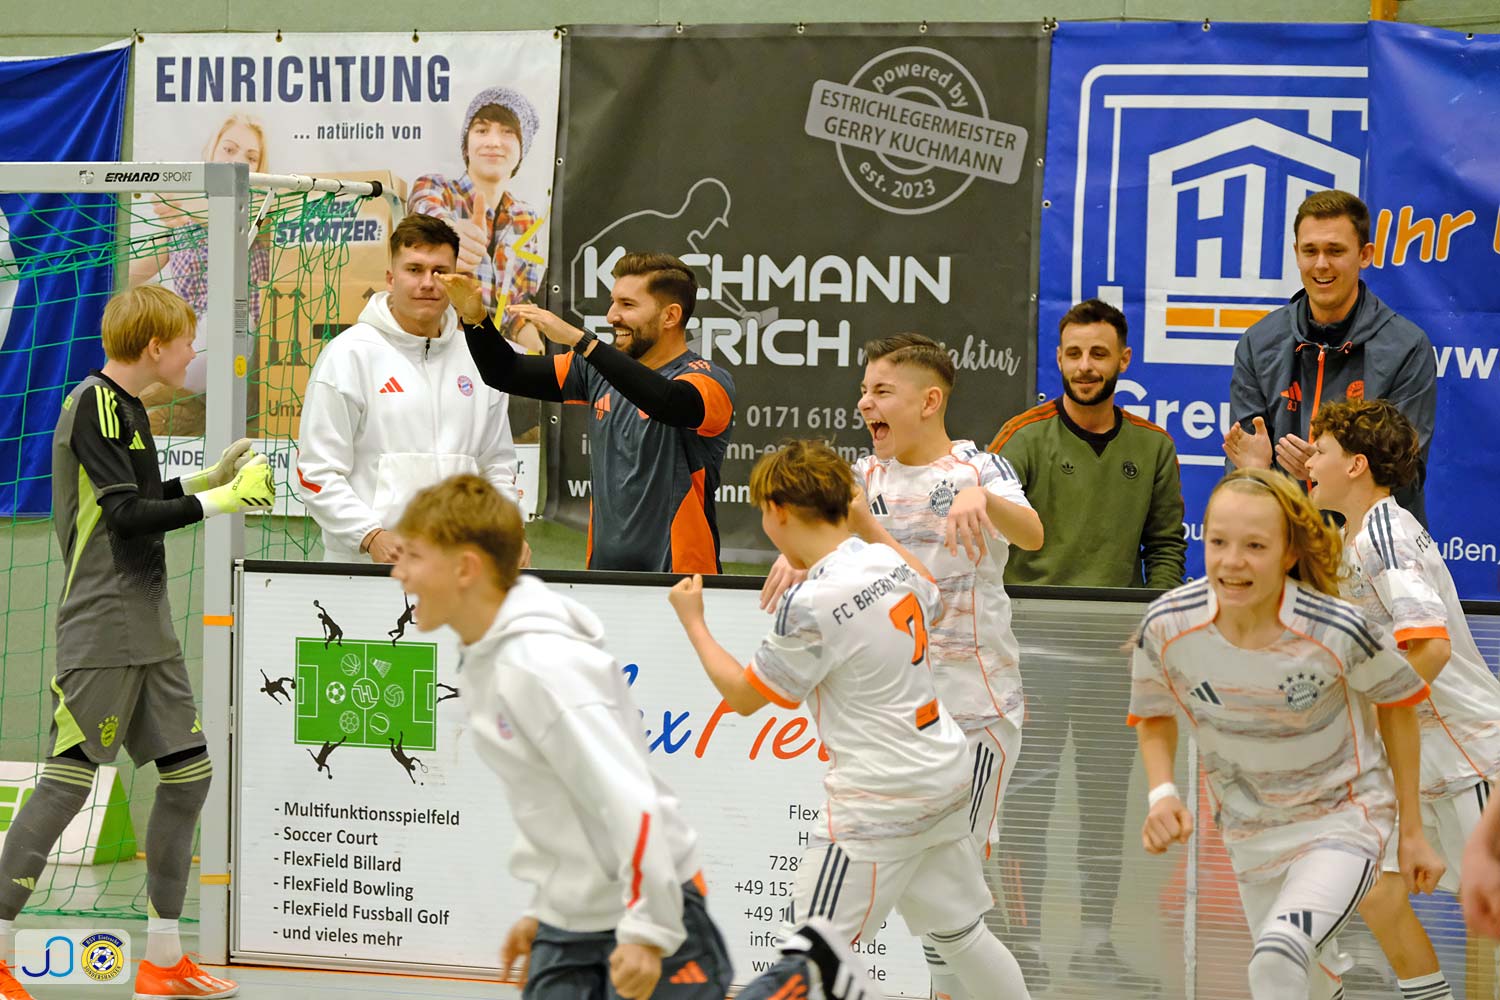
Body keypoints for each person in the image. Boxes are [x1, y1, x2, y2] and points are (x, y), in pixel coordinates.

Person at [670, 440, 1032, 1000]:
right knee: (960, 934)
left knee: (807, 955)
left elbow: (744, 697)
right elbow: (931, 593)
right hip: (943, 775)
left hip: (879, 799)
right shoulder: (885, 560)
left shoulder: (811, 602)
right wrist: (871, 529)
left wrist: (693, 622)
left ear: (778, 512)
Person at [0, 284, 275, 1000]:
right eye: (186, 341)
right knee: (67, 784)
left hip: (148, 623)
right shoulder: (94, 402)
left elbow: (137, 500)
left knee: (188, 777)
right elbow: (123, 518)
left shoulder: (127, 408)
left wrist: (208, 480)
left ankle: (162, 961)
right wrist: (222, 501)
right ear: (155, 347)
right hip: (103, 624)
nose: (192, 352)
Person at [760, 339, 1043, 999]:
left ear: (929, 401)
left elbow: (1032, 534)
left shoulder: (979, 466)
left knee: (953, 913)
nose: (865, 403)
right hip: (902, 727)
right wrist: (794, 553)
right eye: (864, 390)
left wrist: (983, 499)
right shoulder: (860, 479)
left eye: (881, 391)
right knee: (949, 918)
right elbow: (816, 540)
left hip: (975, 711)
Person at [390, 474, 733, 999]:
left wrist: (648, 931)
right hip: (575, 918)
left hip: (653, 907)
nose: (399, 571)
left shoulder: (541, 666)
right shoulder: (485, 661)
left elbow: (630, 799)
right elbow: (555, 805)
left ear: (465, 568)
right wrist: (548, 907)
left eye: (414, 556)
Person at [1132, 468, 1444, 1000]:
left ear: (1289, 553)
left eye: (1255, 546)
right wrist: (1162, 794)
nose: (1233, 561)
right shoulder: (1167, 624)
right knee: (1305, 981)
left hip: (1343, 823)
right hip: (1250, 837)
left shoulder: (1337, 628)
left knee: (1276, 958)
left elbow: (1397, 704)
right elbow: (1154, 711)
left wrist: (1411, 831)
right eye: (1218, 542)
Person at [986, 298, 1184, 989]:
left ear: (1124, 360)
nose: (1085, 366)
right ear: (1059, 358)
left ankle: (1096, 945)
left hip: (1112, 659)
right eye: (1073, 353)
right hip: (1030, 657)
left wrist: (1150, 619)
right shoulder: (1022, 439)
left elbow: (1166, 547)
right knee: (1026, 804)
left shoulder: (1153, 446)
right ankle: (1024, 945)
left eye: (1099, 354)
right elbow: (986, 543)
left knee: (1105, 806)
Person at [1306, 399, 1500, 1000]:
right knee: (1375, 889)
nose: (1309, 460)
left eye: (1320, 450)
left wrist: (1369, 707)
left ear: (1356, 464)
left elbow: (1431, 647)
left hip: (1469, 758)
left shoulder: (1386, 535)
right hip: (1411, 760)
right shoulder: (1355, 536)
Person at [442, 252, 735, 573]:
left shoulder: (707, 381)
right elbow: (504, 372)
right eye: (613, 302)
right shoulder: (594, 370)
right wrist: (475, 318)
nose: (611, 316)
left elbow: (667, 402)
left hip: (684, 579)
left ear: (670, 316)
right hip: (603, 576)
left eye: (627, 305)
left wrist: (581, 341)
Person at [295, 214, 519, 565]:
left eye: (440, 271)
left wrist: (508, 533)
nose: (428, 283)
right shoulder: (348, 355)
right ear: (391, 278)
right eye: (414, 270)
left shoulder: (479, 358)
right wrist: (370, 535)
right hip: (367, 570)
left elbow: (497, 466)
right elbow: (316, 471)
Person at [1223, 190, 1437, 525]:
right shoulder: (1258, 342)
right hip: (1286, 538)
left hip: (1372, 545)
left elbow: (1406, 474)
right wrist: (1255, 472)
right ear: (1296, 254)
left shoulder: (1406, 347)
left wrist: (1327, 472)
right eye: (1310, 251)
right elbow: (1245, 469)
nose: (1321, 264)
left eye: (1335, 250)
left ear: (1364, 255)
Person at [129, 113, 273, 436]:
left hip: (238, 348)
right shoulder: (181, 222)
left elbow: (225, 218)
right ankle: (186, 411)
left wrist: (182, 202)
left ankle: (157, 401)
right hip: (187, 345)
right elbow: (129, 275)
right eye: (229, 149)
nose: (238, 161)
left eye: (251, 157)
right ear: (212, 151)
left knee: (222, 324)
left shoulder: (263, 210)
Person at [408, 87, 545, 353]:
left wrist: (531, 340)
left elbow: (517, 299)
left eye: (508, 132)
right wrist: (449, 236)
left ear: (522, 149)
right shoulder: (436, 188)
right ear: (466, 145)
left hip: (499, 360)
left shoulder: (526, 218)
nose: (494, 142)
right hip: (437, 349)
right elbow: (425, 209)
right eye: (482, 130)